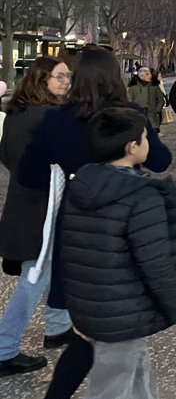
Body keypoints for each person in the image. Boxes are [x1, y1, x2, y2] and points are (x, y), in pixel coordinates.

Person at [16, 45, 173, 398]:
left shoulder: (56, 120)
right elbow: (161, 161)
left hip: (76, 226)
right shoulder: (126, 114)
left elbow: (28, 174)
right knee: (113, 328)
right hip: (122, 228)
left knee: (87, 331)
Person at [58, 107, 176, 399]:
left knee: (136, 371)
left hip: (93, 303)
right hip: (121, 310)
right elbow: (154, 260)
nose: (149, 142)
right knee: (112, 385)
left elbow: (72, 250)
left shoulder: (83, 182)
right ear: (132, 147)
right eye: (146, 137)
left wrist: (78, 309)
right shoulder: (141, 195)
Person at [0, 57, 72, 377]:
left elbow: (6, 157)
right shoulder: (50, 116)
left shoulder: (15, 116)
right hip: (44, 208)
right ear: (42, 79)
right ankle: (4, 349)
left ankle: (58, 327)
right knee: (35, 278)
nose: (66, 82)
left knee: (53, 267)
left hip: (23, 202)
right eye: (59, 77)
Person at [127, 67, 165, 133]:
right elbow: (129, 101)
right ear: (141, 76)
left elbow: (161, 100)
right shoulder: (133, 87)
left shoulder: (154, 86)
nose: (150, 76)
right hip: (138, 116)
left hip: (152, 118)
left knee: (153, 139)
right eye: (147, 74)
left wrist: (157, 110)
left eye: (150, 74)